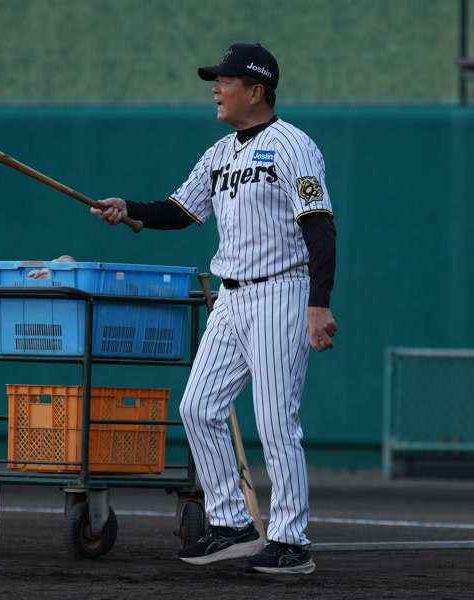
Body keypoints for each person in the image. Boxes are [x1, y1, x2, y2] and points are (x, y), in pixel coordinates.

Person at [91, 42, 337, 575]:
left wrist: (318, 305)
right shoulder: (219, 153)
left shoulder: (295, 146)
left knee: (275, 422)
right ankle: (231, 526)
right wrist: (127, 208)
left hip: (281, 292)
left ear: (256, 90)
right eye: (215, 81)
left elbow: (319, 226)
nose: (216, 89)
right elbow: (179, 211)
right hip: (230, 295)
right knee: (198, 408)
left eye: (225, 81)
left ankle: (291, 542)